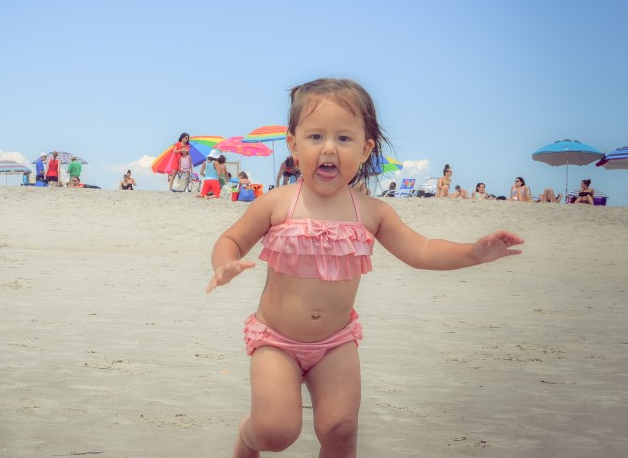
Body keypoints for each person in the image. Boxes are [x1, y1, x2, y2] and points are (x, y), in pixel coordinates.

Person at [205, 77, 523, 458]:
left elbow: (421, 251)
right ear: (293, 144)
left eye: (343, 139)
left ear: (365, 149)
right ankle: (247, 436)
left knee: (340, 430)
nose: (329, 149)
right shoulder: (277, 203)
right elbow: (231, 240)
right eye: (315, 137)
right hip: (276, 340)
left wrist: (474, 252)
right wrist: (224, 265)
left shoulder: (371, 212)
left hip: (335, 343)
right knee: (275, 432)